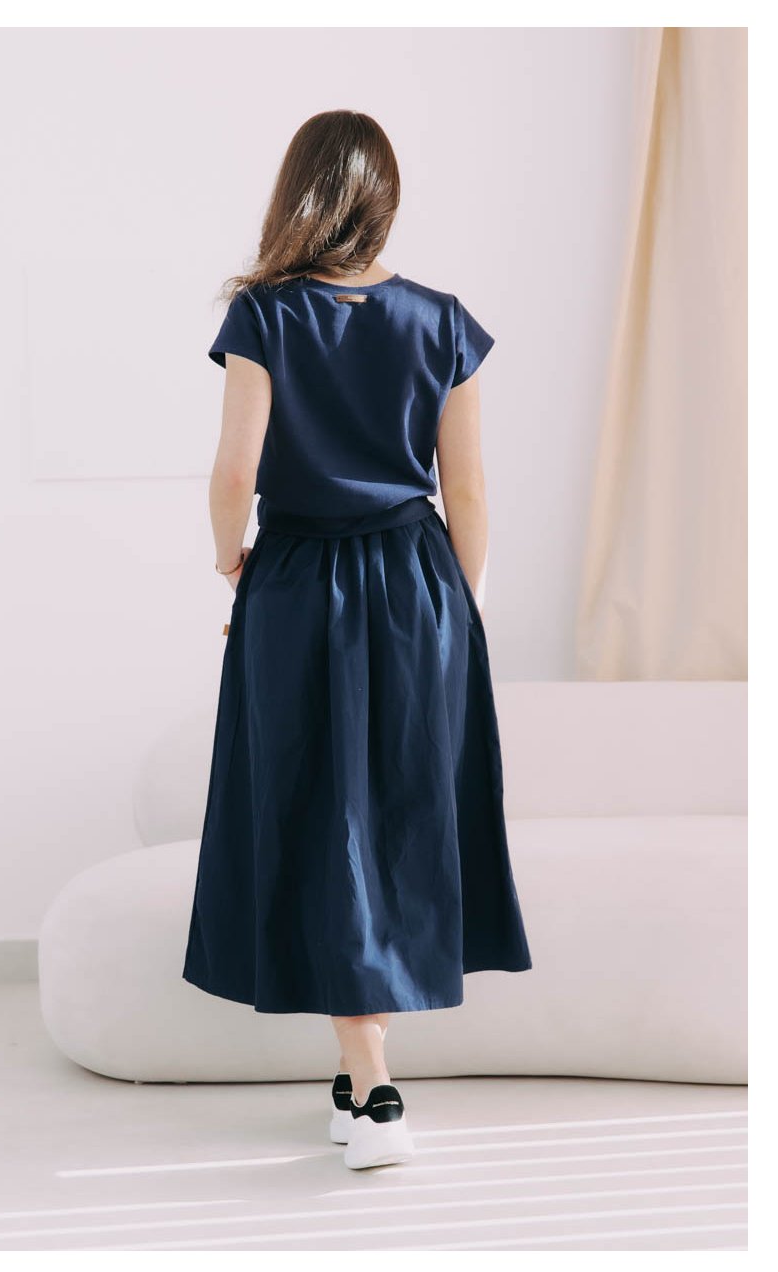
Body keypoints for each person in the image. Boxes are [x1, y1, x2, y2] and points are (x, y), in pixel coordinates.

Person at [182, 109, 532, 1171]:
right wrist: (458, 609)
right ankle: (359, 1078)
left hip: (297, 581)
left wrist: (231, 562)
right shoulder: (443, 321)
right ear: (385, 198)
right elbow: (468, 489)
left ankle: (373, 1089)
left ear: (297, 191)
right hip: (420, 583)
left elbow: (234, 472)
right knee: (393, 811)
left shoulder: (264, 315)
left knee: (317, 809)